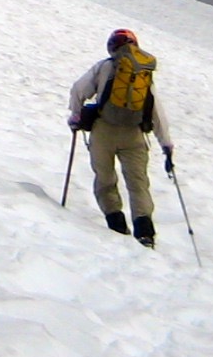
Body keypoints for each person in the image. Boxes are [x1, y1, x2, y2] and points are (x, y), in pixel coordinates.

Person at [67, 28, 174, 246]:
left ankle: (116, 223)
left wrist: (76, 117)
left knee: (105, 179)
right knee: (138, 183)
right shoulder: (143, 74)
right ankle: (144, 231)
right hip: (134, 135)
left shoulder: (104, 66)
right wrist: (166, 144)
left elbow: (79, 90)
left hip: (103, 131)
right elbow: (156, 112)